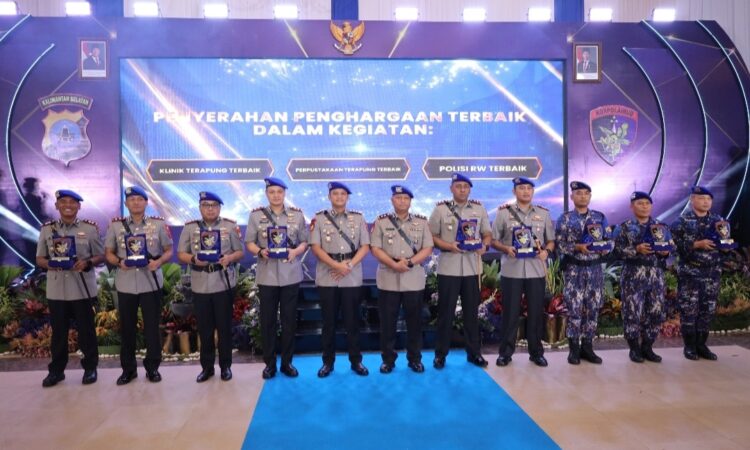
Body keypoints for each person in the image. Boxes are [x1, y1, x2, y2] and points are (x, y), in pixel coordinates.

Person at [104, 186, 173, 385]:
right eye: (132, 199)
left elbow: (169, 250)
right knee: (127, 329)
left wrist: (158, 262)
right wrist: (119, 262)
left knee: (151, 328)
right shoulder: (116, 226)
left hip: (150, 282)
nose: (136, 202)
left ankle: (153, 368)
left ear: (146, 202)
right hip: (126, 283)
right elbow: (109, 253)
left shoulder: (158, 224)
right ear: (126, 203)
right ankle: (128, 370)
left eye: (139, 199)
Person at [36, 189, 103, 387]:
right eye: (63, 201)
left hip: (81, 289)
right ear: (57, 205)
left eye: (72, 202)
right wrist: (51, 264)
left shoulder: (89, 229)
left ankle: (90, 369)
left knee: (86, 332)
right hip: (57, 290)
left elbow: (100, 256)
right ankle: (56, 371)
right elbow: (39, 258)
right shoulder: (47, 230)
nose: (68, 205)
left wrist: (87, 262)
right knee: (58, 334)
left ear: (78, 206)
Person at [177, 191, 244, 382]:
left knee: (224, 328)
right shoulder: (190, 227)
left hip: (222, 283)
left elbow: (240, 251)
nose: (210, 209)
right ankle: (207, 368)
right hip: (200, 285)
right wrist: (193, 259)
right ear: (200, 208)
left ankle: (225, 367)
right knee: (205, 330)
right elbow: (181, 253)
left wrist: (229, 258)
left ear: (219, 208)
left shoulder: (229, 226)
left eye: (214, 205)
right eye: (206, 205)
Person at [245, 177, 309, 379]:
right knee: (268, 321)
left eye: (279, 192)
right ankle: (270, 364)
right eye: (272, 192)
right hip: (267, 275)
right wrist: (260, 251)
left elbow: (304, 242)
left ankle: (287, 363)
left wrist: (295, 251)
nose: (276, 195)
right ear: (266, 194)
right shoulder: (256, 216)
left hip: (290, 273)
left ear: (284, 194)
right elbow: (249, 242)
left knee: (289, 321)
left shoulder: (297, 215)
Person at [428, 173, 492, 369]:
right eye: (458, 186)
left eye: (466, 186)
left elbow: (487, 234)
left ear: (469, 189)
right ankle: (440, 355)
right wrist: (449, 246)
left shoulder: (479, 209)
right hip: (449, 267)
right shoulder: (440, 210)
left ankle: (474, 353)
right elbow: (431, 236)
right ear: (451, 188)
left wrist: (484, 246)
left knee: (472, 314)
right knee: (445, 313)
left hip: (472, 268)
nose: (462, 189)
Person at [491, 177, 555, 367]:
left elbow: (551, 240)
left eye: (529, 188)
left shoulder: (543, 214)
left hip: (536, 270)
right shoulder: (503, 213)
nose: (526, 191)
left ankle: (536, 353)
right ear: (514, 192)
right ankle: (505, 353)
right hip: (512, 270)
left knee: (535, 313)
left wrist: (546, 252)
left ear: (533, 192)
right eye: (521, 188)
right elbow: (493, 240)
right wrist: (505, 248)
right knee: (510, 314)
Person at [370, 185, 434, 374]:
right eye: (398, 198)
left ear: (410, 201)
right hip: (388, 277)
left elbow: (428, 247)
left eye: (406, 198)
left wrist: (411, 262)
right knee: (387, 323)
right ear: (392, 200)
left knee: (414, 323)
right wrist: (393, 264)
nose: (402, 201)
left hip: (413, 277)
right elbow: (375, 248)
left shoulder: (421, 222)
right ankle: (388, 360)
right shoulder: (381, 222)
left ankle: (415, 359)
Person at [310, 182, 370, 377]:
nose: (339, 197)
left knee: (353, 322)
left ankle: (356, 361)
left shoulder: (358, 218)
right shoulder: (319, 219)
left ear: (347, 197)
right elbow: (315, 247)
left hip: (351, 276)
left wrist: (348, 266)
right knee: (328, 323)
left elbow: (365, 246)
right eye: (335, 193)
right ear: (329, 197)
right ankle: (328, 362)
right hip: (328, 275)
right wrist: (336, 266)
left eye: (343, 194)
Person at [555, 181, 611, 365]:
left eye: (586, 193)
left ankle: (588, 348)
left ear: (590, 196)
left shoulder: (599, 217)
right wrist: (577, 247)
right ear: (572, 196)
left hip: (595, 270)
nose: (583, 196)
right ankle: (573, 350)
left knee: (593, 309)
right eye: (579, 193)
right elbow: (559, 244)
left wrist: (605, 248)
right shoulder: (565, 218)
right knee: (574, 309)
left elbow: (610, 241)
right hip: (574, 270)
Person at [670, 186, 728, 361]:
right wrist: (695, 244)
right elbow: (672, 246)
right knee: (689, 310)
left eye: (709, 199)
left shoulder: (718, 220)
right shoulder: (681, 221)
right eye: (701, 198)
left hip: (712, 273)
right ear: (692, 199)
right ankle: (689, 347)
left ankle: (702, 345)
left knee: (707, 310)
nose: (705, 202)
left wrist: (726, 247)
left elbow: (725, 242)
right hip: (691, 273)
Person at [614, 191, 671, 363]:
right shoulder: (624, 227)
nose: (644, 206)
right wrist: (636, 250)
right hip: (633, 276)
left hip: (655, 276)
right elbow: (615, 251)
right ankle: (634, 349)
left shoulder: (661, 226)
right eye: (640, 203)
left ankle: (647, 347)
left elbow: (670, 247)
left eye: (647, 203)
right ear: (632, 207)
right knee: (632, 313)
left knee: (656, 312)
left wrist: (666, 252)